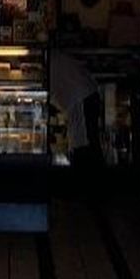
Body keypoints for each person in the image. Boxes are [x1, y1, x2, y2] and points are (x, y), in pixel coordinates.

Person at [49, 49, 102, 193]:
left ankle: (89, 190)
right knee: (84, 141)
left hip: (81, 97)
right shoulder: (53, 57)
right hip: (83, 95)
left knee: (83, 142)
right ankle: (89, 189)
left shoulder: (48, 59)